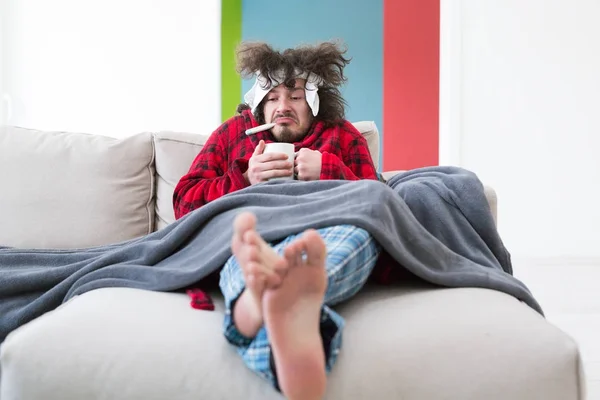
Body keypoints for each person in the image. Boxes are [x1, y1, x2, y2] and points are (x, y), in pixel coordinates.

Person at [173, 41, 382, 400]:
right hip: (257, 229)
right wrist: (242, 178)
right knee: (241, 243)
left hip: (323, 235)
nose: (282, 106)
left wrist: (330, 170)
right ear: (258, 103)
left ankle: (257, 306)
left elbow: (382, 206)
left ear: (316, 103)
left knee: (361, 234)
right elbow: (184, 201)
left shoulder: (343, 136)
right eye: (271, 97)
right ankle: (277, 301)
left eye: (296, 96)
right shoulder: (231, 135)